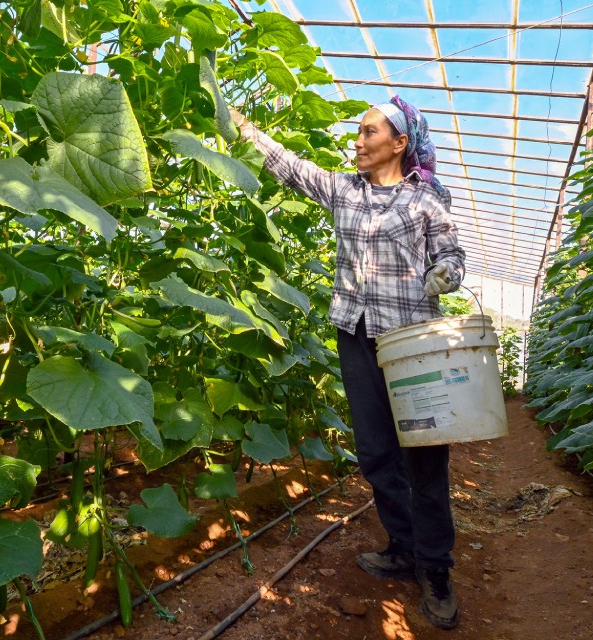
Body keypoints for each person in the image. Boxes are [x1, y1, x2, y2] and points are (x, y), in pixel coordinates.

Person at [233, 96, 466, 629]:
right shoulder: (344, 189)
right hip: (356, 334)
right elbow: (290, 167)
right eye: (357, 134)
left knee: (425, 458)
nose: (357, 142)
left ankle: (436, 570)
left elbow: (453, 257)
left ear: (399, 143)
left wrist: (443, 277)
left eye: (368, 133)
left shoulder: (426, 200)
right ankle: (403, 547)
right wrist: (244, 128)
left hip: (410, 341)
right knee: (377, 452)